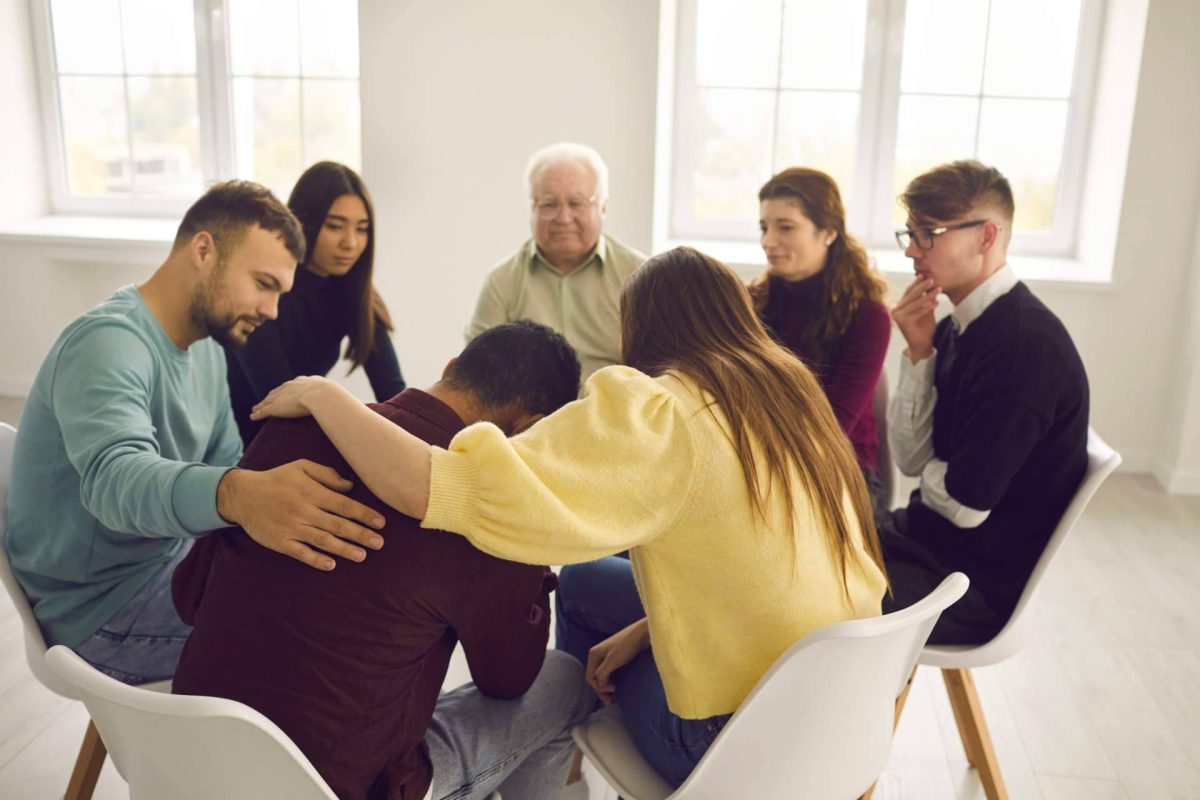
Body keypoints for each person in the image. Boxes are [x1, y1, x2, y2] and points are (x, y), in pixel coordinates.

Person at [252, 246, 889, 788]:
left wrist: (326, 395)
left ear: (640, 328)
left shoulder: (660, 412)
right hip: (838, 709)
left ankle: (560, 768)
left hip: (733, 741)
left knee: (565, 683)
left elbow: (435, 487)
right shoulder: (787, 391)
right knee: (586, 582)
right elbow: (762, 559)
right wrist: (650, 628)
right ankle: (562, 777)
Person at [172, 321, 590, 800]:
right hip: (342, 789)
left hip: (186, 758)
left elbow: (189, 596)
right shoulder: (487, 510)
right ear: (530, 428)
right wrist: (534, 549)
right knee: (564, 681)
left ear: (451, 367)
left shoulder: (293, 424)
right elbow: (507, 681)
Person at [2, 181, 387, 685]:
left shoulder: (207, 348)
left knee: (340, 592)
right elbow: (115, 480)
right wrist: (239, 495)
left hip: (168, 562)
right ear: (203, 250)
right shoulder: (107, 344)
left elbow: (227, 460)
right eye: (263, 284)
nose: (272, 310)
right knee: (325, 646)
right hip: (98, 611)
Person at [883, 160, 1089, 644]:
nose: (911, 250)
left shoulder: (1025, 346)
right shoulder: (956, 327)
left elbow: (965, 505)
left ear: (987, 236)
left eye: (928, 234)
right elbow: (910, 460)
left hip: (966, 586)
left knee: (797, 598)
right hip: (925, 544)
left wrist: (936, 473)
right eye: (909, 234)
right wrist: (919, 353)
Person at [226, 161, 405, 445]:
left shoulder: (355, 292)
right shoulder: (264, 293)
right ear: (304, 222)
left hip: (300, 436)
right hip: (243, 443)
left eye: (362, 229)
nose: (350, 243)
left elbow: (394, 394)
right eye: (334, 226)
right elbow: (277, 401)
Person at [753, 167, 892, 518]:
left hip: (843, 472)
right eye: (764, 228)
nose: (769, 241)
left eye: (786, 227)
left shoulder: (867, 315)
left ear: (829, 232)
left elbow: (833, 428)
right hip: (763, 463)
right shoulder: (752, 302)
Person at [466, 142, 646, 382]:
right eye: (549, 204)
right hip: (529, 407)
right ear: (532, 208)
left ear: (603, 207)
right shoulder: (502, 282)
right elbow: (476, 375)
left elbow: (661, 372)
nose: (563, 218)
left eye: (576, 203)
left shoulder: (639, 277)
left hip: (616, 405)